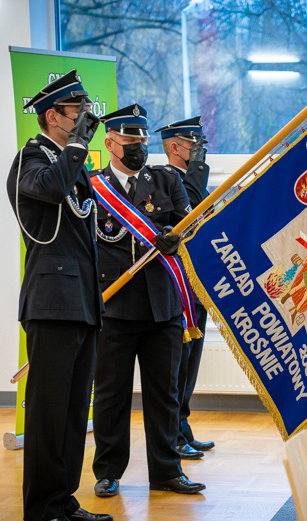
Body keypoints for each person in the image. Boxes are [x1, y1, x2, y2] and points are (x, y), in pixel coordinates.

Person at [6, 70, 113, 521]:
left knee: (73, 413)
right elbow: (48, 189)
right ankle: (39, 511)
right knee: (48, 413)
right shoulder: (31, 159)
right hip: (52, 303)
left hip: (83, 302)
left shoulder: (74, 165)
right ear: (54, 116)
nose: (87, 122)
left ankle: (63, 498)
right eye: (79, 115)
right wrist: (74, 150)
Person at [90, 104, 206, 497]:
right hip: (114, 308)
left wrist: (176, 235)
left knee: (165, 394)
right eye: (130, 141)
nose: (139, 148)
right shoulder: (92, 187)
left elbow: (188, 224)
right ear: (110, 143)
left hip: (163, 307)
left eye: (142, 141)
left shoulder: (165, 180)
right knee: (110, 396)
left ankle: (167, 470)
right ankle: (108, 470)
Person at [154, 117, 215, 459]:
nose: (199, 154)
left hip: (195, 287)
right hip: (178, 289)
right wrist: (199, 169)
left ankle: (183, 428)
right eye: (194, 147)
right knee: (176, 367)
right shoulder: (167, 179)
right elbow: (188, 214)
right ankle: (174, 435)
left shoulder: (192, 179)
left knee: (190, 365)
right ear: (175, 147)